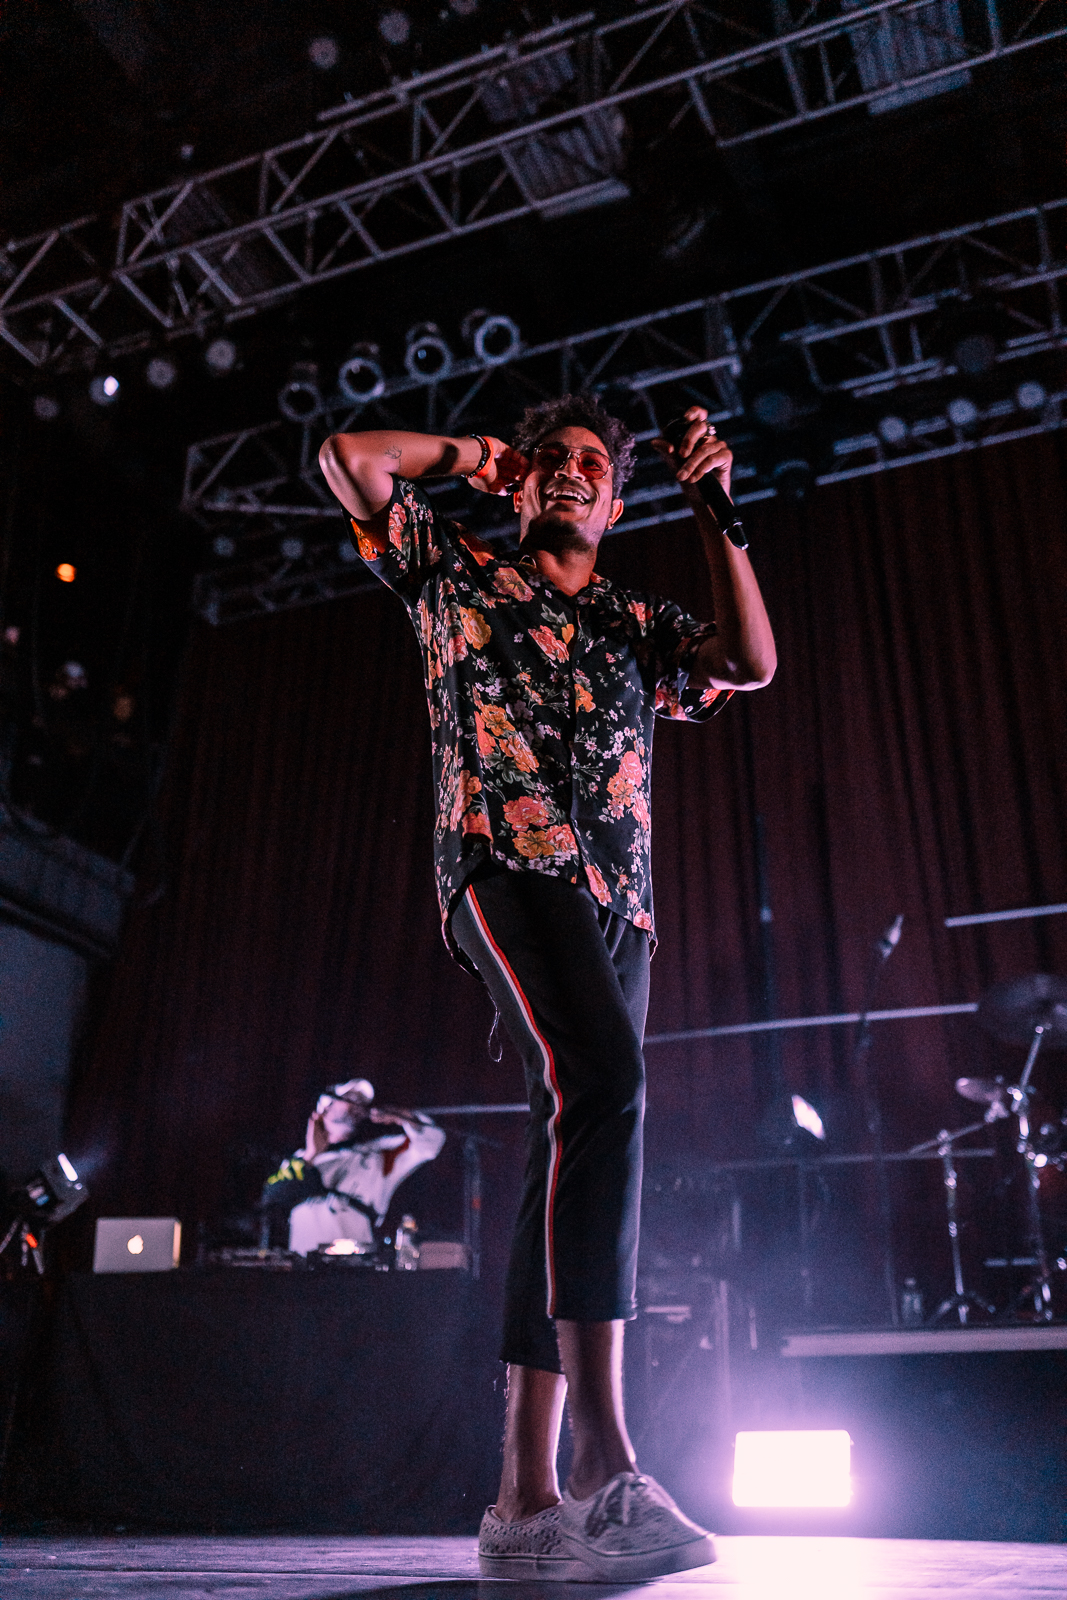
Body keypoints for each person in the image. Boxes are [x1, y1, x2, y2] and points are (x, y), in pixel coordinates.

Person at [319, 396, 775, 1580]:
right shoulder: (456, 573)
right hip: (502, 864)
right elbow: (350, 457)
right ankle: (606, 1459)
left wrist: (714, 509)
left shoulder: (633, 619)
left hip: (619, 905)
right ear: (523, 484)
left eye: (592, 467)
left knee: (568, 1133)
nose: (572, 474)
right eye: (553, 461)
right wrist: (481, 457)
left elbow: (748, 662)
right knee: (607, 1082)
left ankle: (522, 1501)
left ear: (616, 506)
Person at [262, 1078, 444, 1255]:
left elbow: (430, 1144)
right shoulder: (299, 1160)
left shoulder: (379, 1153)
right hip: (303, 1267)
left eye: (362, 1103)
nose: (358, 1106)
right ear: (326, 1106)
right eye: (351, 1099)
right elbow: (272, 1197)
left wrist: (405, 1117)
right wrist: (311, 1155)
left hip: (354, 1265)